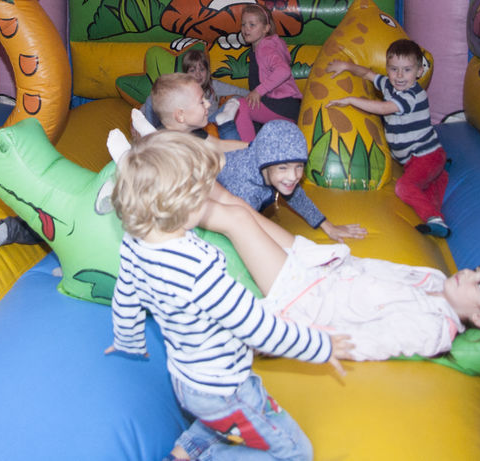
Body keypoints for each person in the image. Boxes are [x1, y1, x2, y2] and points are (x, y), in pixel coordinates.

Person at [107, 131, 353, 461]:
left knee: (220, 418)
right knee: (296, 453)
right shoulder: (198, 270)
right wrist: (319, 346)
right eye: (201, 193)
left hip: (186, 380)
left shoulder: (135, 244)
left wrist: (128, 339)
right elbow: (258, 328)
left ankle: (185, 451)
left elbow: (125, 296)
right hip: (225, 388)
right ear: (183, 204)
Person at [201, 196, 480, 361]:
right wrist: (324, 252)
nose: (467, 273)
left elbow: (372, 343)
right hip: (320, 268)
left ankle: (155, 206)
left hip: (307, 298)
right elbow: (369, 268)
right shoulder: (434, 280)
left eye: (479, 284)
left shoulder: (433, 330)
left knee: (236, 220)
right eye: (477, 271)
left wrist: (297, 339)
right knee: (241, 206)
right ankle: (163, 158)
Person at [0, 73, 245, 258]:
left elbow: (222, 147)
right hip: (122, 195)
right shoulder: (163, 143)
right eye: (202, 101)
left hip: (153, 211)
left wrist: (254, 150)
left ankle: (81, 252)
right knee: (73, 217)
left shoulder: (198, 135)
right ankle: (14, 229)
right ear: (180, 115)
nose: (209, 103)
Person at [326, 38, 452, 239]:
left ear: (419, 72)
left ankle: (435, 219)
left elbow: (385, 108)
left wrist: (351, 101)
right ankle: (439, 176)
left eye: (407, 70)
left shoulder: (412, 95)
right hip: (412, 159)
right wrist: (346, 65)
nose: (399, 76)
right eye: (394, 69)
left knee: (405, 187)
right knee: (423, 183)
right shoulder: (389, 85)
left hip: (426, 155)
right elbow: (368, 74)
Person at [217, 119, 367, 243]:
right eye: (283, 168)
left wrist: (327, 226)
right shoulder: (245, 190)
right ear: (265, 165)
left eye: (299, 166)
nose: (293, 176)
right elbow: (243, 232)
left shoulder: (269, 170)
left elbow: (296, 196)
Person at [232, 4, 302, 142]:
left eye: (252, 25)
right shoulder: (262, 47)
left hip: (281, 105)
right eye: (244, 24)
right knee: (250, 105)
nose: (246, 29)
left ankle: (249, 152)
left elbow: (283, 71)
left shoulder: (265, 47)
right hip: (286, 108)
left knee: (239, 107)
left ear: (266, 28)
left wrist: (259, 91)